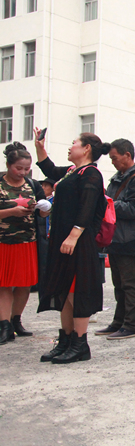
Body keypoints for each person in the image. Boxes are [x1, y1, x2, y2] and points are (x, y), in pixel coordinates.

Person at [34, 130, 110, 364]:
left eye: (74, 143)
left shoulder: (92, 174)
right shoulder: (71, 172)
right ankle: (66, 340)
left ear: (86, 148)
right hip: (63, 238)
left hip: (77, 240)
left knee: (76, 291)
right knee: (64, 290)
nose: (70, 147)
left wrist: (74, 235)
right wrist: (39, 146)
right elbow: (49, 169)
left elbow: (87, 209)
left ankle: (80, 343)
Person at [96, 139, 135, 340]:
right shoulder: (118, 177)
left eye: (114, 157)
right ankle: (118, 322)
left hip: (131, 238)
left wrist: (107, 204)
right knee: (118, 284)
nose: (112, 162)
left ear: (127, 155)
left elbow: (134, 210)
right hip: (116, 238)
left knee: (131, 284)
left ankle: (131, 325)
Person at [1, 143, 50, 343]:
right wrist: (12, 211)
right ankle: (4, 325)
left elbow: (42, 211)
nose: (22, 172)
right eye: (18, 168)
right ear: (8, 165)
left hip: (27, 242)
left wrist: (45, 208)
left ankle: (16, 320)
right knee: (4, 284)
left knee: (24, 284)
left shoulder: (32, 184)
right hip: (4, 241)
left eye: (26, 169)